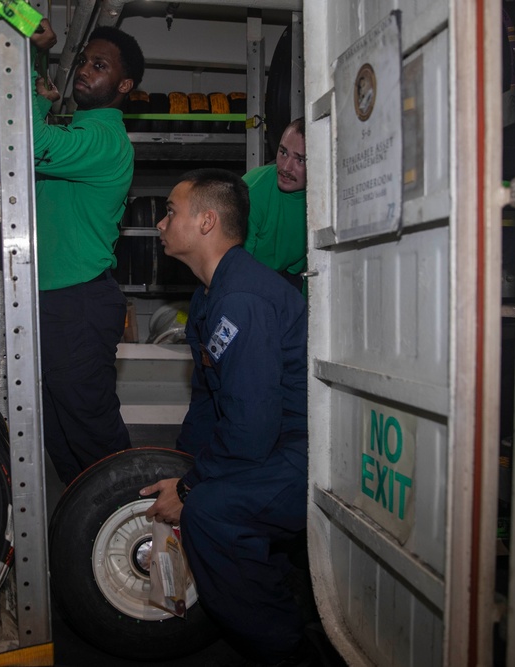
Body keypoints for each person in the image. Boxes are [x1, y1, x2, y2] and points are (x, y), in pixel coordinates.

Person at [140, 169, 311, 666]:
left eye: (171, 211)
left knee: (211, 513)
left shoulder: (242, 299)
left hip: (298, 453)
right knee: (184, 482)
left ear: (207, 221)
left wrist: (192, 490)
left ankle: (287, 650)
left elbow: (251, 428)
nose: (160, 223)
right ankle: (274, 591)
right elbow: (208, 402)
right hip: (268, 442)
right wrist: (182, 464)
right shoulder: (209, 295)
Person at [29, 25, 145, 485]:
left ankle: (140, 536)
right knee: (63, 442)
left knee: (96, 442)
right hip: (54, 301)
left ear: (123, 86)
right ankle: (91, 544)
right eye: (84, 61)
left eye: (100, 66)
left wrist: (31, 56)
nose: (84, 71)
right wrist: (38, 66)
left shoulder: (104, 139)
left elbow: (31, 146)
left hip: (76, 304)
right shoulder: (78, 132)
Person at [242, 118, 308, 291]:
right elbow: (237, 270)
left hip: (291, 276)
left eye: (300, 160)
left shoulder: (325, 200)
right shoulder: (252, 189)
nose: (286, 167)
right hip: (245, 274)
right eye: (283, 152)